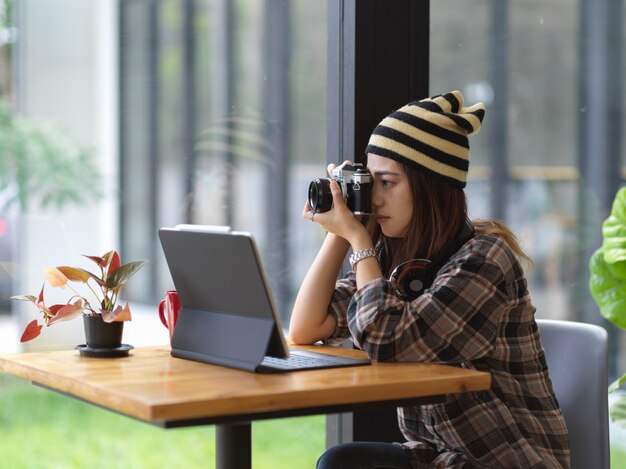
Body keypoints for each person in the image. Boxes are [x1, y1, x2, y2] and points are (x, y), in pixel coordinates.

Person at [289, 91, 570, 469]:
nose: (375, 199)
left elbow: (385, 340)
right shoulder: (397, 257)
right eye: (371, 184)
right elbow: (306, 327)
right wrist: (341, 231)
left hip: (505, 461)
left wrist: (359, 239)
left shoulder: (484, 259)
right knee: (341, 461)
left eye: (387, 183)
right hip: (439, 457)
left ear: (430, 186)